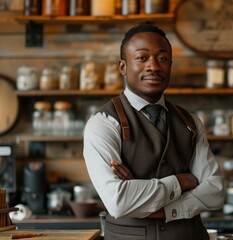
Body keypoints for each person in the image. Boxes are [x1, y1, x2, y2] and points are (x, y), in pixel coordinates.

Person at [83, 23, 225, 240]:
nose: (154, 67)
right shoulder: (103, 124)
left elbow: (215, 192)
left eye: (163, 59)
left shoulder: (190, 122)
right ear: (123, 67)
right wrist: (182, 182)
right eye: (142, 58)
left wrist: (163, 210)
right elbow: (119, 202)